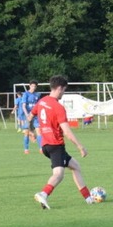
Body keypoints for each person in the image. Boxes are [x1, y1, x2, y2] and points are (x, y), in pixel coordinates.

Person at [30, 75, 93, 210]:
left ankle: (88, 198)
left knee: (75, 166)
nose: (64, 93)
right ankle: (43, 194)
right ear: (59, 88)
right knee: (59, 174)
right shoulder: (58, 107)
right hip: (55, 145)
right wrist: (80, 146)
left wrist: (31, 132)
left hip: (46, 145)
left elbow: (30, 116)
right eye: (64, 90)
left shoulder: (42, 101)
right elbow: (67, 132)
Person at [21, 81, 42, 154]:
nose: (33, 87)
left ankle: (41, 148)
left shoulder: (37, 95)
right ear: (29, 86)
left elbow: (39, 105)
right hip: (27, 115)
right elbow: (23, 106)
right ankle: (26, 149)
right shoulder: (25, 94)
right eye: (32, 86)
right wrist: (27, 115)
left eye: (35, 86)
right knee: (26, 133)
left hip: (35, 116)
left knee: (39, 131)